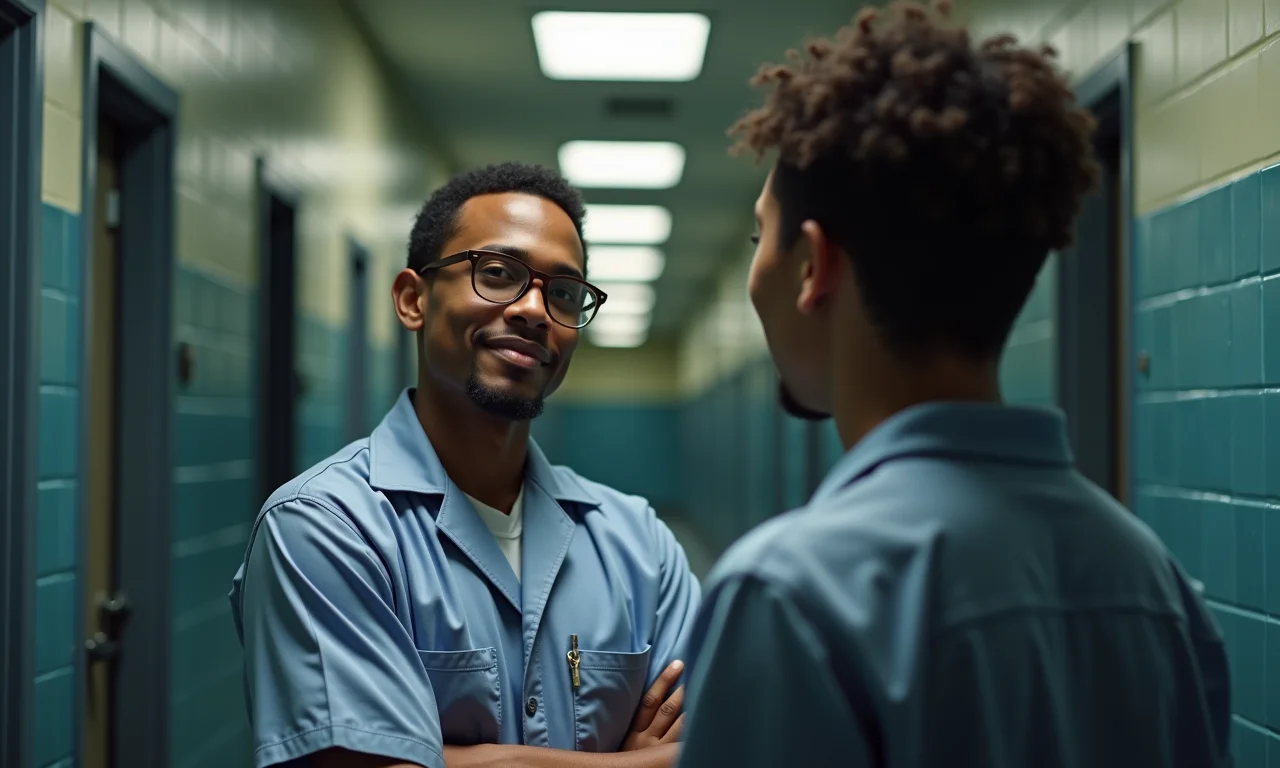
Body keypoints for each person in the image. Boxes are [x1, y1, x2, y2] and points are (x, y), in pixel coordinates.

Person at [677, 3, 1231, 767]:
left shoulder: (791, 595)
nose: (754, 270)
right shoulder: (1150, 581)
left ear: (813, 265)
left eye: (758, 236)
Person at [231, 162, 700, 768]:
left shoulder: (637, 543)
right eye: (498, 274)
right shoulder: (324, 528)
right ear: (412, 300)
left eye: (563, 292)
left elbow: (716, 745)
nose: (535, 309)